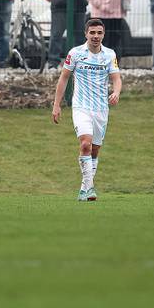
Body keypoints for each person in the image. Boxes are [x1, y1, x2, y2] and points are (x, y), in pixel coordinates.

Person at [51, 19, 123, 201]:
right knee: (85, 145)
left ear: (103, 35)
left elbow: (116, 78)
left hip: (101, 109)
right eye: (92, 33)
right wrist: (56, 105)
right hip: (81, 107)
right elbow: (63, 78)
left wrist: (116, 92)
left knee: (95, 151)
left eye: (99, 33)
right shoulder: (75, 54)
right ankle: (90, 188)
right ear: (86, 34)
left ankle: (84, 188)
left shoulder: (109, 54)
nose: (96, 36)